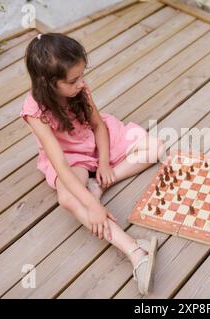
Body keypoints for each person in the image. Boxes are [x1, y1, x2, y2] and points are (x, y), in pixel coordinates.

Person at [21, 33, 166, 295]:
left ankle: (96, 187)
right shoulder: (35, 112)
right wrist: (93, 207)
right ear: (48, 83)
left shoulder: (79, 88)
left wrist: (103, 165)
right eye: (73, 81)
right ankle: (136, 251)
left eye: (82, 76)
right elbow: (61, 167)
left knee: (156, 148)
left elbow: (99, 126)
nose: (81, 83)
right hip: (69, 157)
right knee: (68, 198)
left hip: (94, 141)